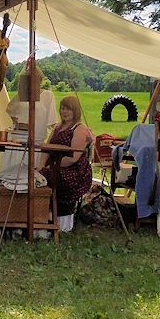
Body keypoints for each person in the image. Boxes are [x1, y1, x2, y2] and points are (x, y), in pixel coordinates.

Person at [38, 95, 94, 232]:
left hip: (74, 170)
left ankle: (55, 218)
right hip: (54, 166)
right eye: (62, 108)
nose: (64, 112)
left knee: (48, 176)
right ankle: (41, 216)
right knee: (37, 175)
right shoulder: (57, 128)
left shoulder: (80, 129)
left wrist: (53, 167)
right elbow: (46, 148)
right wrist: (40, 166)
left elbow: (74, 158)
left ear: (75, 110)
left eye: (68, 109)